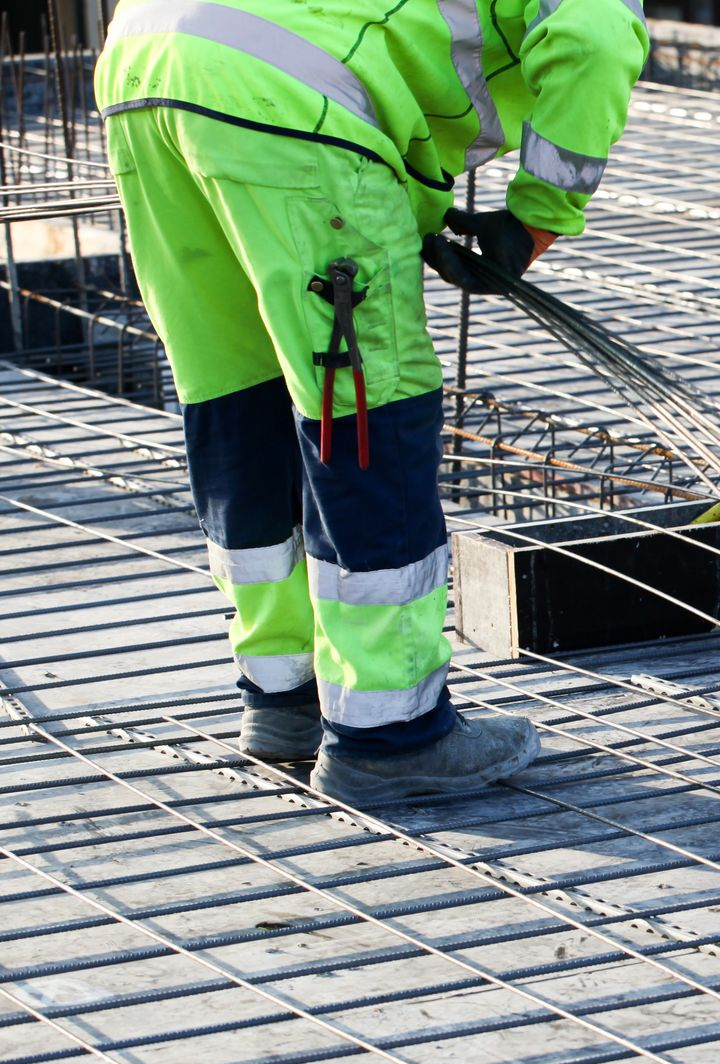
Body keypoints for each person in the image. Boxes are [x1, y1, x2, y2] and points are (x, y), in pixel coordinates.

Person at [94, 0, 649, 806]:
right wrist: (534, 222)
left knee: (237, 397)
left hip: (145, 63)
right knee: (364, 412)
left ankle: (283, 697)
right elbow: (596, 37)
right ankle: (390, 736)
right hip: (291, 99)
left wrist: (408, 204)